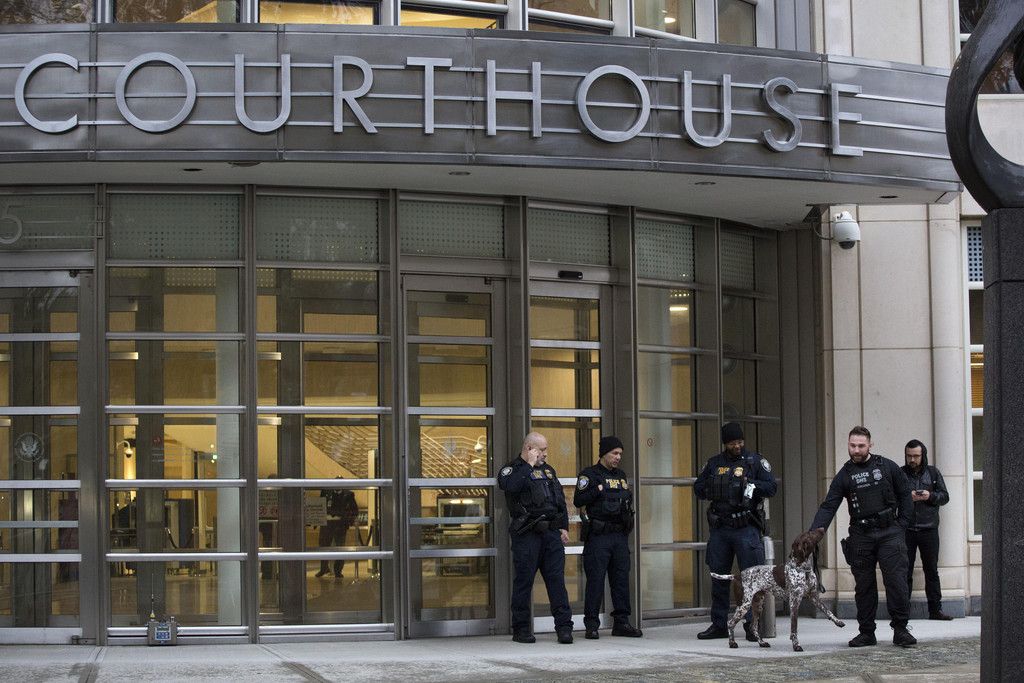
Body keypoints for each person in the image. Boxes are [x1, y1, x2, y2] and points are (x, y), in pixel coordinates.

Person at [810, 426, 916, 648]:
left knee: (896, 582)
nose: (856, 450)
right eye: (852, 445)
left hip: (890, 532)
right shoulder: (845, 474)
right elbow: (829, 505)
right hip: (861, 535)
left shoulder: (886, 466)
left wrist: (902, 524)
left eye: (861, 445)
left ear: (870, 445)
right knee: (864, 587)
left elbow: (905, 493)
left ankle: (901, 630)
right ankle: (867, 632)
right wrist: (815, 533)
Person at [694, 422, 777, 641]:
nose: (737, 446)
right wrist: (716, 486)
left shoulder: (755, 461)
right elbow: (698, 488)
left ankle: (752, 624)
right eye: (732, 443)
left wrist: (749, 484)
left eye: (740, 442)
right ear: (725, 443)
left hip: (746, 528)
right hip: (721, 528)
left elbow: (771, 487)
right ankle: (719, 624)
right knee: (719, 578)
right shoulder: (714, 463)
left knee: (751, 579)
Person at [498, 431, 574, 644]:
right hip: (527, 535)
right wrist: (528, 466)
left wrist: (563, 527)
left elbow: (559, 500)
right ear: (529, 449)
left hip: (551, 535)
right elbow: (510, 487)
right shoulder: (511, 470)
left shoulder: (548, 471)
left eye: (546, 449)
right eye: (542, 450)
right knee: (524, 582)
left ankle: (564, 628)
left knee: (556, 582)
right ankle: (521, 629)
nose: (545, 454)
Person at [573, 435, 643, 640]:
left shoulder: (621, 476)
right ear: (604, 453)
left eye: (620, 454)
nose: (618, 457)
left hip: (619, 535)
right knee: (595, 581)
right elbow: (578, 500)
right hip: (599, 536)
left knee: (621, 580)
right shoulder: (589, 474)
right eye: (614, 453)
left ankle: (621, 622)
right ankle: (591, 625)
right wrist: (597, 490)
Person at [902, 439, 953, 621]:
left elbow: (945, 496)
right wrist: (908, 497)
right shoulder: (900, 473)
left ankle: (935, 610)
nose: (912, 460)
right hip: (906, 529)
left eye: (916, 456)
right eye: (909, 456)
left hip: (929, 528)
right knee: (904, 571)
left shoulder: (933, 472)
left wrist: (929, 496)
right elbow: (890, 498)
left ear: (923, 455)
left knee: (931, 570)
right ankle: (902, 612)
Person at [316, 486, 359, 578]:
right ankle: (324, 568)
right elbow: (319, 505)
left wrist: (347, 519)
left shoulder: (348, 494)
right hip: (327, 522)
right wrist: (317, 519)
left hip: (340, 523)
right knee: (323, 545)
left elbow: (354, 510)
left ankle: (338, 571)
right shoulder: (326, 491)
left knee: (340, 547)